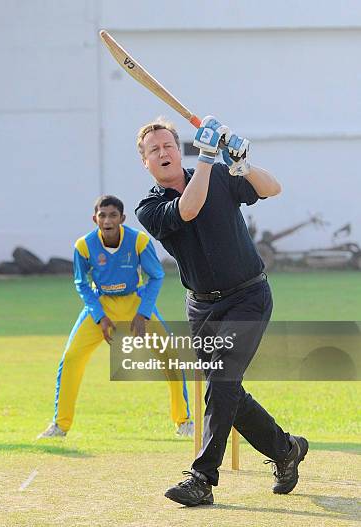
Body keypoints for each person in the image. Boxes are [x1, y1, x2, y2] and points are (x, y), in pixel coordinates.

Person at [134, 116, 308, 506]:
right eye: (153, 150)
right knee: (227, 391)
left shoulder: (218, 174)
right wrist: (210, 157)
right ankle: (285, 449)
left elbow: (272, 188)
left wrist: (243, 163)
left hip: (248, 296)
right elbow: (189, 208)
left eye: (168, 146)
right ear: (145, 162)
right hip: (202, 307)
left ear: (179, 151)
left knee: (223, 382)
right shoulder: (149, 207)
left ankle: (202, 478)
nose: (163, 153)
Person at [38, 195, 193, 439]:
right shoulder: (84, 246)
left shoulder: (139, 241)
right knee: (71, 358)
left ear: (122, 218)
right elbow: (82, 283)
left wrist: (143, 313)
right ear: (95, 218)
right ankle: (60, 424)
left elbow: (156, 276)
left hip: (135, 301)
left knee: (170, 355)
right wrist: (99, 317)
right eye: (102, 215)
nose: (107, 220)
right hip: (102, 305)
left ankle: (184, 422)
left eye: (112, 215)